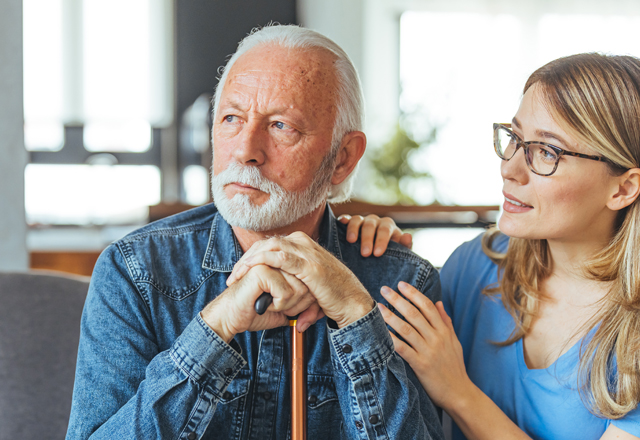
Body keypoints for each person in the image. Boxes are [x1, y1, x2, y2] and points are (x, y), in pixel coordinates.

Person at [329, 54, 640, 440]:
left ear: (624, 188)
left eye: (547, 152)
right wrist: (368, 254)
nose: (510, 168)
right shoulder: (475, 265)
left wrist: (458, 392)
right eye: (514, 138)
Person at [66, 24, 443, 440]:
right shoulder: (135, 273)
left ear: (343, 158)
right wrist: (215, 329)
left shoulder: (400, 284)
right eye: (231, 117)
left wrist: (357, 313)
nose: (246, 149)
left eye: (281, 126)